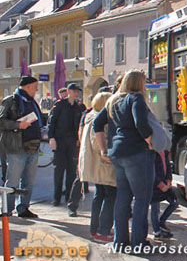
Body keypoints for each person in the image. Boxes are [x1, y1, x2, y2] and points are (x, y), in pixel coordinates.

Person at [95, 70, 153, 249]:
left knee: (123, 197)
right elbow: (141, 124)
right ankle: (138, 242)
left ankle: (120, 240)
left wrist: (103, 149)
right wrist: (150, 142)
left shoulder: (113, 100)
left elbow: (97, 123)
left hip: (117, 152)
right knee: (142, 199)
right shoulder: (136, 99)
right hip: (136, 152)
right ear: (139, 83)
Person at [0, 76, 44, 218]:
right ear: (28, 86)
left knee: (29, 181)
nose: (37, 89)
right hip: (16, 146)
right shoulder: (11, 100)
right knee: (12, 180)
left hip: (32, 146)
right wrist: (18, 125)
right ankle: (7, 209)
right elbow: (1, 121)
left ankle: (24, 208)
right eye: (35, 86)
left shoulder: (32, 102)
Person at [78, 92, 116, 242]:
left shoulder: (90, 116)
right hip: (102, 164)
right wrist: (108, 154)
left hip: (95, 164)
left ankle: (95, 229)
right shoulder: (99, 119)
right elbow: (97, 142)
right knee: (110, 196)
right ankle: (102, 231)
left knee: (99, 195)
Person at [49, 83, 86, 212]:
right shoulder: (59, 105)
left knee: (71, 171)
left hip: (73, 142)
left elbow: (82, 124)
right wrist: (51, 138)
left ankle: (69, 197)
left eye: (78, 91)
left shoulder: (79, 107)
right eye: (74, 91)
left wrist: (79, 139)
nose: (76, 94)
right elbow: (51, 122)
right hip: (60, 141)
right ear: (69, 91)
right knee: (59, 170)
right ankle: (56, 197)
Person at [150, 151, 178, 240]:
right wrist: (160, 184)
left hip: (165, 184)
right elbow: (151, 172)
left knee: (174, 202)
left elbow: (168, 168)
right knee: (155, 209)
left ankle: (161, 222)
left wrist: (169, 179)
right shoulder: (151, 154)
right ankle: (157, 232)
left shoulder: (165, 153)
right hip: (154, 186)